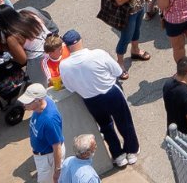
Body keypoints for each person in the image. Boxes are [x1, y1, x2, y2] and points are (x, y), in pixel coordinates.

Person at [57, 30, 138, 168]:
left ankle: (118, 156)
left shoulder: (64, 65)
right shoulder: (98, 54)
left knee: (106, 127)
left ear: (66, 46)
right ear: (80, 40)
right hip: (112, 93)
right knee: (124, 122)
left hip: (91, 100)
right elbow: (118, 72)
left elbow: (70, 88)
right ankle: (132, 151)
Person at [23, 86, 62, 183]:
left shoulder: (49, 121)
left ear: (38, 101)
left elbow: (57, 147)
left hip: (48, 158)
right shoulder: (44, 101)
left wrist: (57, 170)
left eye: (28, 101)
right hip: (42, 156)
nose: (24, 104)